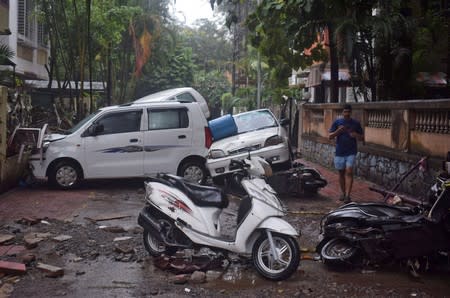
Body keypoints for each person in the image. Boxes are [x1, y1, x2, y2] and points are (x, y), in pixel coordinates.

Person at [328, 104, 364, 203]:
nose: (346, 114)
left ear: (350, 112)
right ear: (342, 112)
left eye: (348, 112)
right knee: (341, 173)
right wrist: (338, 131)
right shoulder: (337, 122)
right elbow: (330, 136)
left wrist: (355, 135)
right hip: (340, 151)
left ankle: (348, 195)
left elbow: (362, 138)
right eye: (345, 112)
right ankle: (343, 193)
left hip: (351, 151)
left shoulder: (355, 123)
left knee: (349, 171)